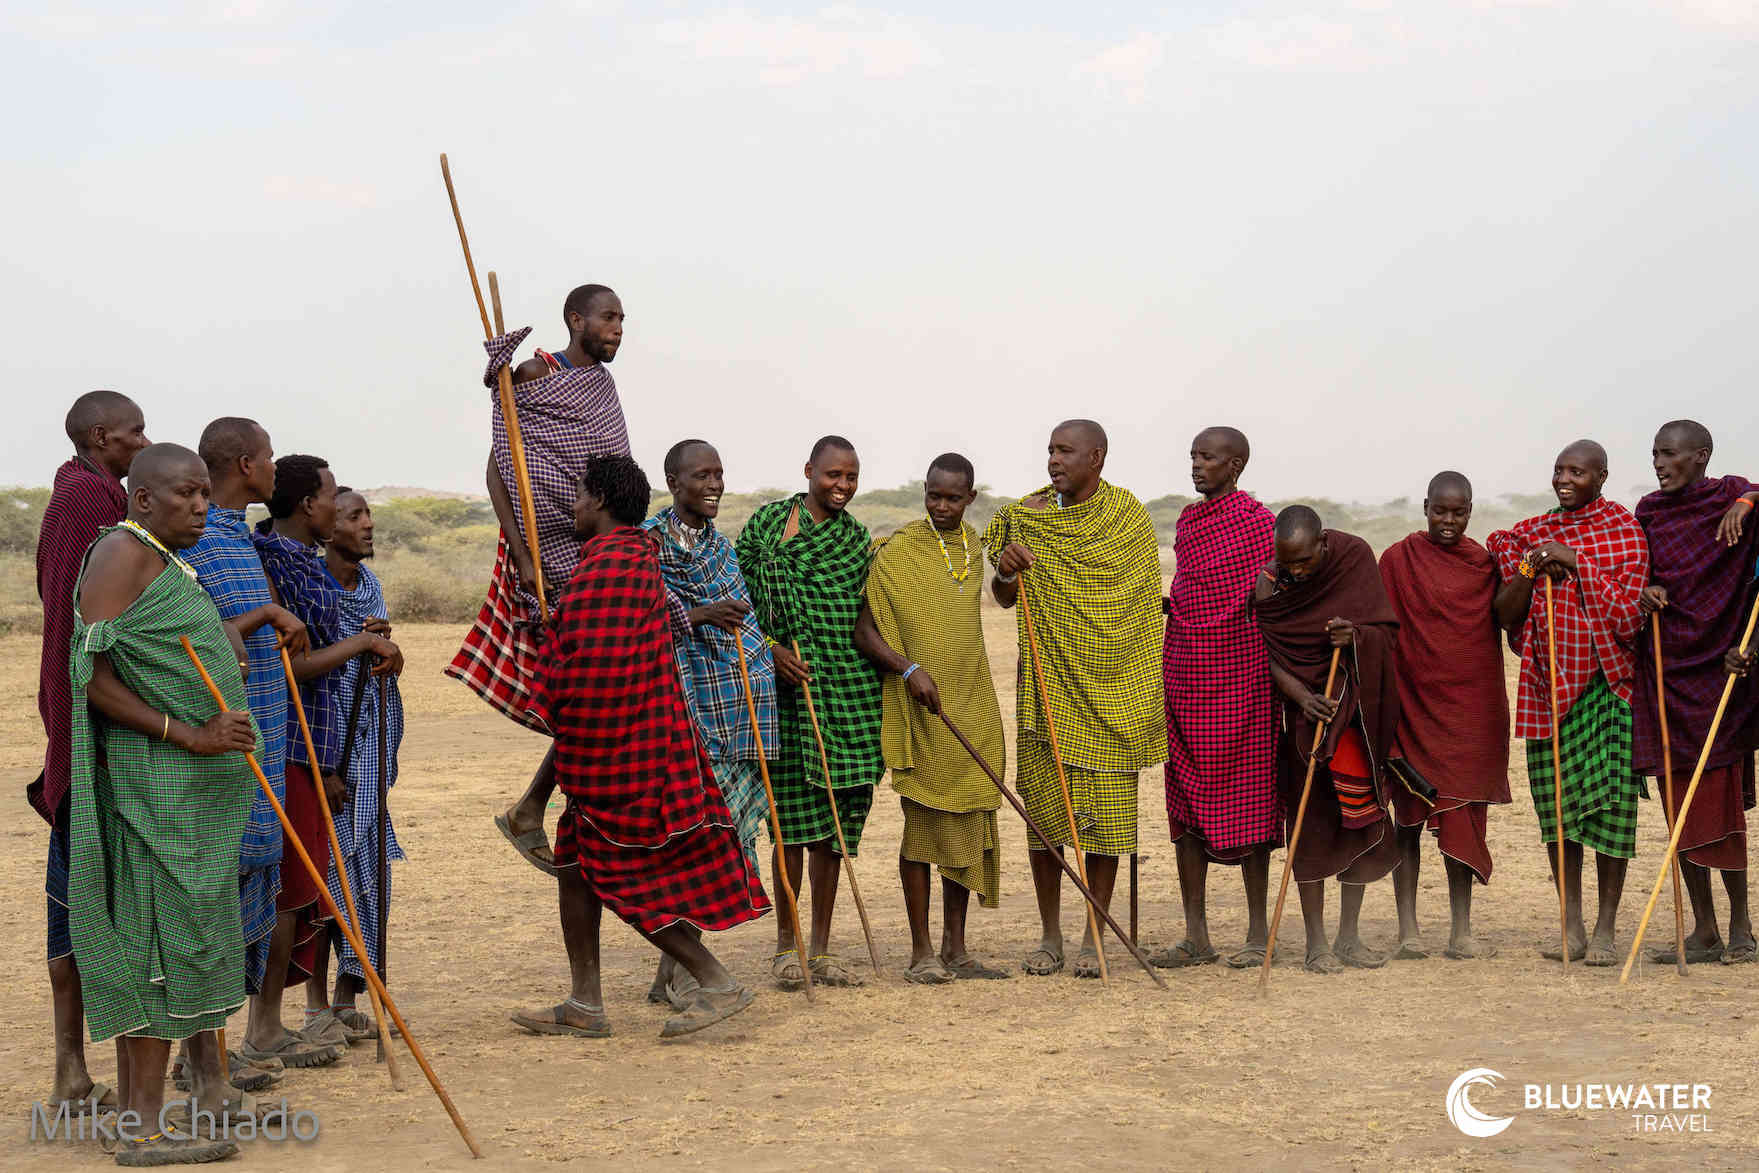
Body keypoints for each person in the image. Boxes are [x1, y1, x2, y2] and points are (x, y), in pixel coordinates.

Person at [511, 455, 768, 1039]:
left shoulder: (613, 570)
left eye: (577, 495)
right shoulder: (631, 561)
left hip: (625, 757)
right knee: (574, 865)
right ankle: (585, 1003)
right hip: (634, 745)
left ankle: (716, 981)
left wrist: (554, 666)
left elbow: (594, 676)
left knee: (616, 873)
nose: (572, 506)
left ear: (599, 500)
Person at [67, 443, 274, 1165]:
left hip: (188, 795)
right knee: (157, 945)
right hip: (156, 790)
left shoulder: (160, 554)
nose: (201, 505)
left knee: (166, 939)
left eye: (202, 494)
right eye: (186, 494)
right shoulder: (123, 551)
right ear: (144, 498)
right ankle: (144, 1129)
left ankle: (135, 1115)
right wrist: (190, 733)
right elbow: (88, 671)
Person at [448, 284, 631, 876]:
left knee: (601, 691)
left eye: (623, 319)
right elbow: (500, 466)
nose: (618, 328)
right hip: (551, 553)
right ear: (576, 320)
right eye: (608, 317)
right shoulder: (531, 373)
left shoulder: (602, 385)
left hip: (601, 544)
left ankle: (539, 806)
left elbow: (611, 465)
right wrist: (525, 556)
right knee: (589, 690)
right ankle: (546, 807)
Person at [983, 420, 1166, 978]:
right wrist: (1009, 573)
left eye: (1065, 451)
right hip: (1048, 688)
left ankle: (1095, 935)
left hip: (1115, 692)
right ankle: (1050, 936)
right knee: (1045, 825)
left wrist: (1119, 664)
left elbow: (1138, 603)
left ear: (1098, 457)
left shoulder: (1127, 517)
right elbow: (1002, 597)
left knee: (1107, 825)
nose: (1053, 460)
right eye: (1049, 451)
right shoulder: (1023, 518)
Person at [185, 418, 334, 1079]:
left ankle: (253, 1036)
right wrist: (267, 616)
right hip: (223, 753)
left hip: (266, 742)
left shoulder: (238, 537)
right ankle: (199, 1062)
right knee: (211, 903)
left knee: (256, 891)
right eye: (269, 456)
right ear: (246, 463)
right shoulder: (190, 543)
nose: (274, 467)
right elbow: (189, 636)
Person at [252, 455, 402, 1055]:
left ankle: (335, 1002)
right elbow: (294, 669)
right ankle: (296, 1015)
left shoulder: (343, 580)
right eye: (345, 505)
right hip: (304, 747)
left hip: (345, 746)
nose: (363, 521)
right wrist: (362, 641)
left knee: (342, 880)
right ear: (315, 511)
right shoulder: (282, 566)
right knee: (308, 884)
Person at [1488, 440, 1649, 965]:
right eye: (1559, 470)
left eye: (1577, 472)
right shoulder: (1532, 534)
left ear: (1601, 477)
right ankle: (1571, 921)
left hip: (1609, 687)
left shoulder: (1623, 531)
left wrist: (1576, 562)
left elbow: (1631, 617)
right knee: (1557, 812)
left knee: (1612, 812)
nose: (1564, 479)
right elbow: (1506, 613)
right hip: (1545, 688)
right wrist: (1535, 566)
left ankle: (1605, 929)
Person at [32, 390, 148, 1117]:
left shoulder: (99, 492)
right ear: (101, 435)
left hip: (93, 721)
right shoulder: (86, 501)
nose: (144, 440)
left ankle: (78, 1069)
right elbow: (83, 626)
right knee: (80, 899)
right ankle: (73, 1068)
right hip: (88, 726)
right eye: (135, 430)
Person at [737, 436, 885, 989]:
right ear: (808, 471)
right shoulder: (767, 525)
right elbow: (737, 597)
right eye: (832, 476)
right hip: (783, 699)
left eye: (851, 477)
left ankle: (820, 949)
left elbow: (862, 620)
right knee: (789, 827)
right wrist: (769, 648)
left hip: (847, 694)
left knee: (834, 831)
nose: (842, 486)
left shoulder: (855, 541)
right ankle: (786, 945)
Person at [856, 453, 1010, 983]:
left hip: (973, 704)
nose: (941, 506)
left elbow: (1004, 597)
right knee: (922, 827)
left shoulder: (974, 547)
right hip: (921, 705)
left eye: (952, 498)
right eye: (933, 495)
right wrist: (908, 670)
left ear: (970, 498)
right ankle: (921, 951)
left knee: (967, 823)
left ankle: (956, 949)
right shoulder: (898, 549)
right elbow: (865, 632)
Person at [639, 440, 776, 1008]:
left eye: (719, 473)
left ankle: (674, 970)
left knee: (720, 838)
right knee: (693, 838)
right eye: (702, 475)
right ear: (673, 481)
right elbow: (640, 615)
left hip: (741, 709)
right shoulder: (647, 543)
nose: (714, 484)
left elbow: (740, 614)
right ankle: (680, 970)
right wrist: (699, 613)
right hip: (682, 707)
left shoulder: (722, 548)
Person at [1253, 505, 1401, 974]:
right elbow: (1264, 649)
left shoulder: (1354, 557)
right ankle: (1316, 943)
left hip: (1351, 716)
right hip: (1303, 722)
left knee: (1356, 819)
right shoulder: (1271, 581)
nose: (1295, 572)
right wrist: (1300, 695)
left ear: (1323, 544)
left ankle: (1349, 937)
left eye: (1303, 562)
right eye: (1287, 563)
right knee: (1310, 824)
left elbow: (1384, 631)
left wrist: (1353, 635)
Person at [1632, 421, 1759, 964]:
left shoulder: (1732, 493)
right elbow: (1638, 571)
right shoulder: (1650, 511)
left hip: (1721, 673)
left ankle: (1741, 928)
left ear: (1702, 456)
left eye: (1669, 454)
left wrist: (1752, 501)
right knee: (1677, 802)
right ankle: (1702, 929)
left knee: (1721, 801)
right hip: (1666, 668)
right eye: (1655, 454)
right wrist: (1648, 589)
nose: (1659, 464)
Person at [1158, 427, 1280, 970]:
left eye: (1207, 457)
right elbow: (1190, 586)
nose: (1196, 465)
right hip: (1185, 671)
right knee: (1183, 802)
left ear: (1237, 465)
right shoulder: (1187, 521)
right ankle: (1196, 934)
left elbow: (1266, 597)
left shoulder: (1259, 524)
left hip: (1244, 672)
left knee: (1253, 799)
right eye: (1193, 456)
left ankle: (1258, 933)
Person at [1378, 472, 1511, 961]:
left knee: (1462, 817)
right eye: (1440, 510)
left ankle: (1461, 929)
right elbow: (1380, 627)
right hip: (1413, 707)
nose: (1448, 521)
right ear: (1426, 506)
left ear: (1471, 510)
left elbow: (1507, 618)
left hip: (1470, 712)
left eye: (1459, 512)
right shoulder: (1397, 560)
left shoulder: (1483, 564)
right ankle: (1408, 928)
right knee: (1407, 820)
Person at [311, 488, 409, 1031]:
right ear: (327, 527)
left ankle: (350, 994)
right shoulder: (312, 591)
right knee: (327, 878)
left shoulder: (368, 587)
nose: (367, 524)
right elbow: (307, 680)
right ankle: (316, 1005)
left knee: (369, 876)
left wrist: (389, 656)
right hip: (329, 752)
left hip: (368, 753)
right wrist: (325, 767)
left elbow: (377, 666)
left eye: (369, 514)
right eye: (354, 516)